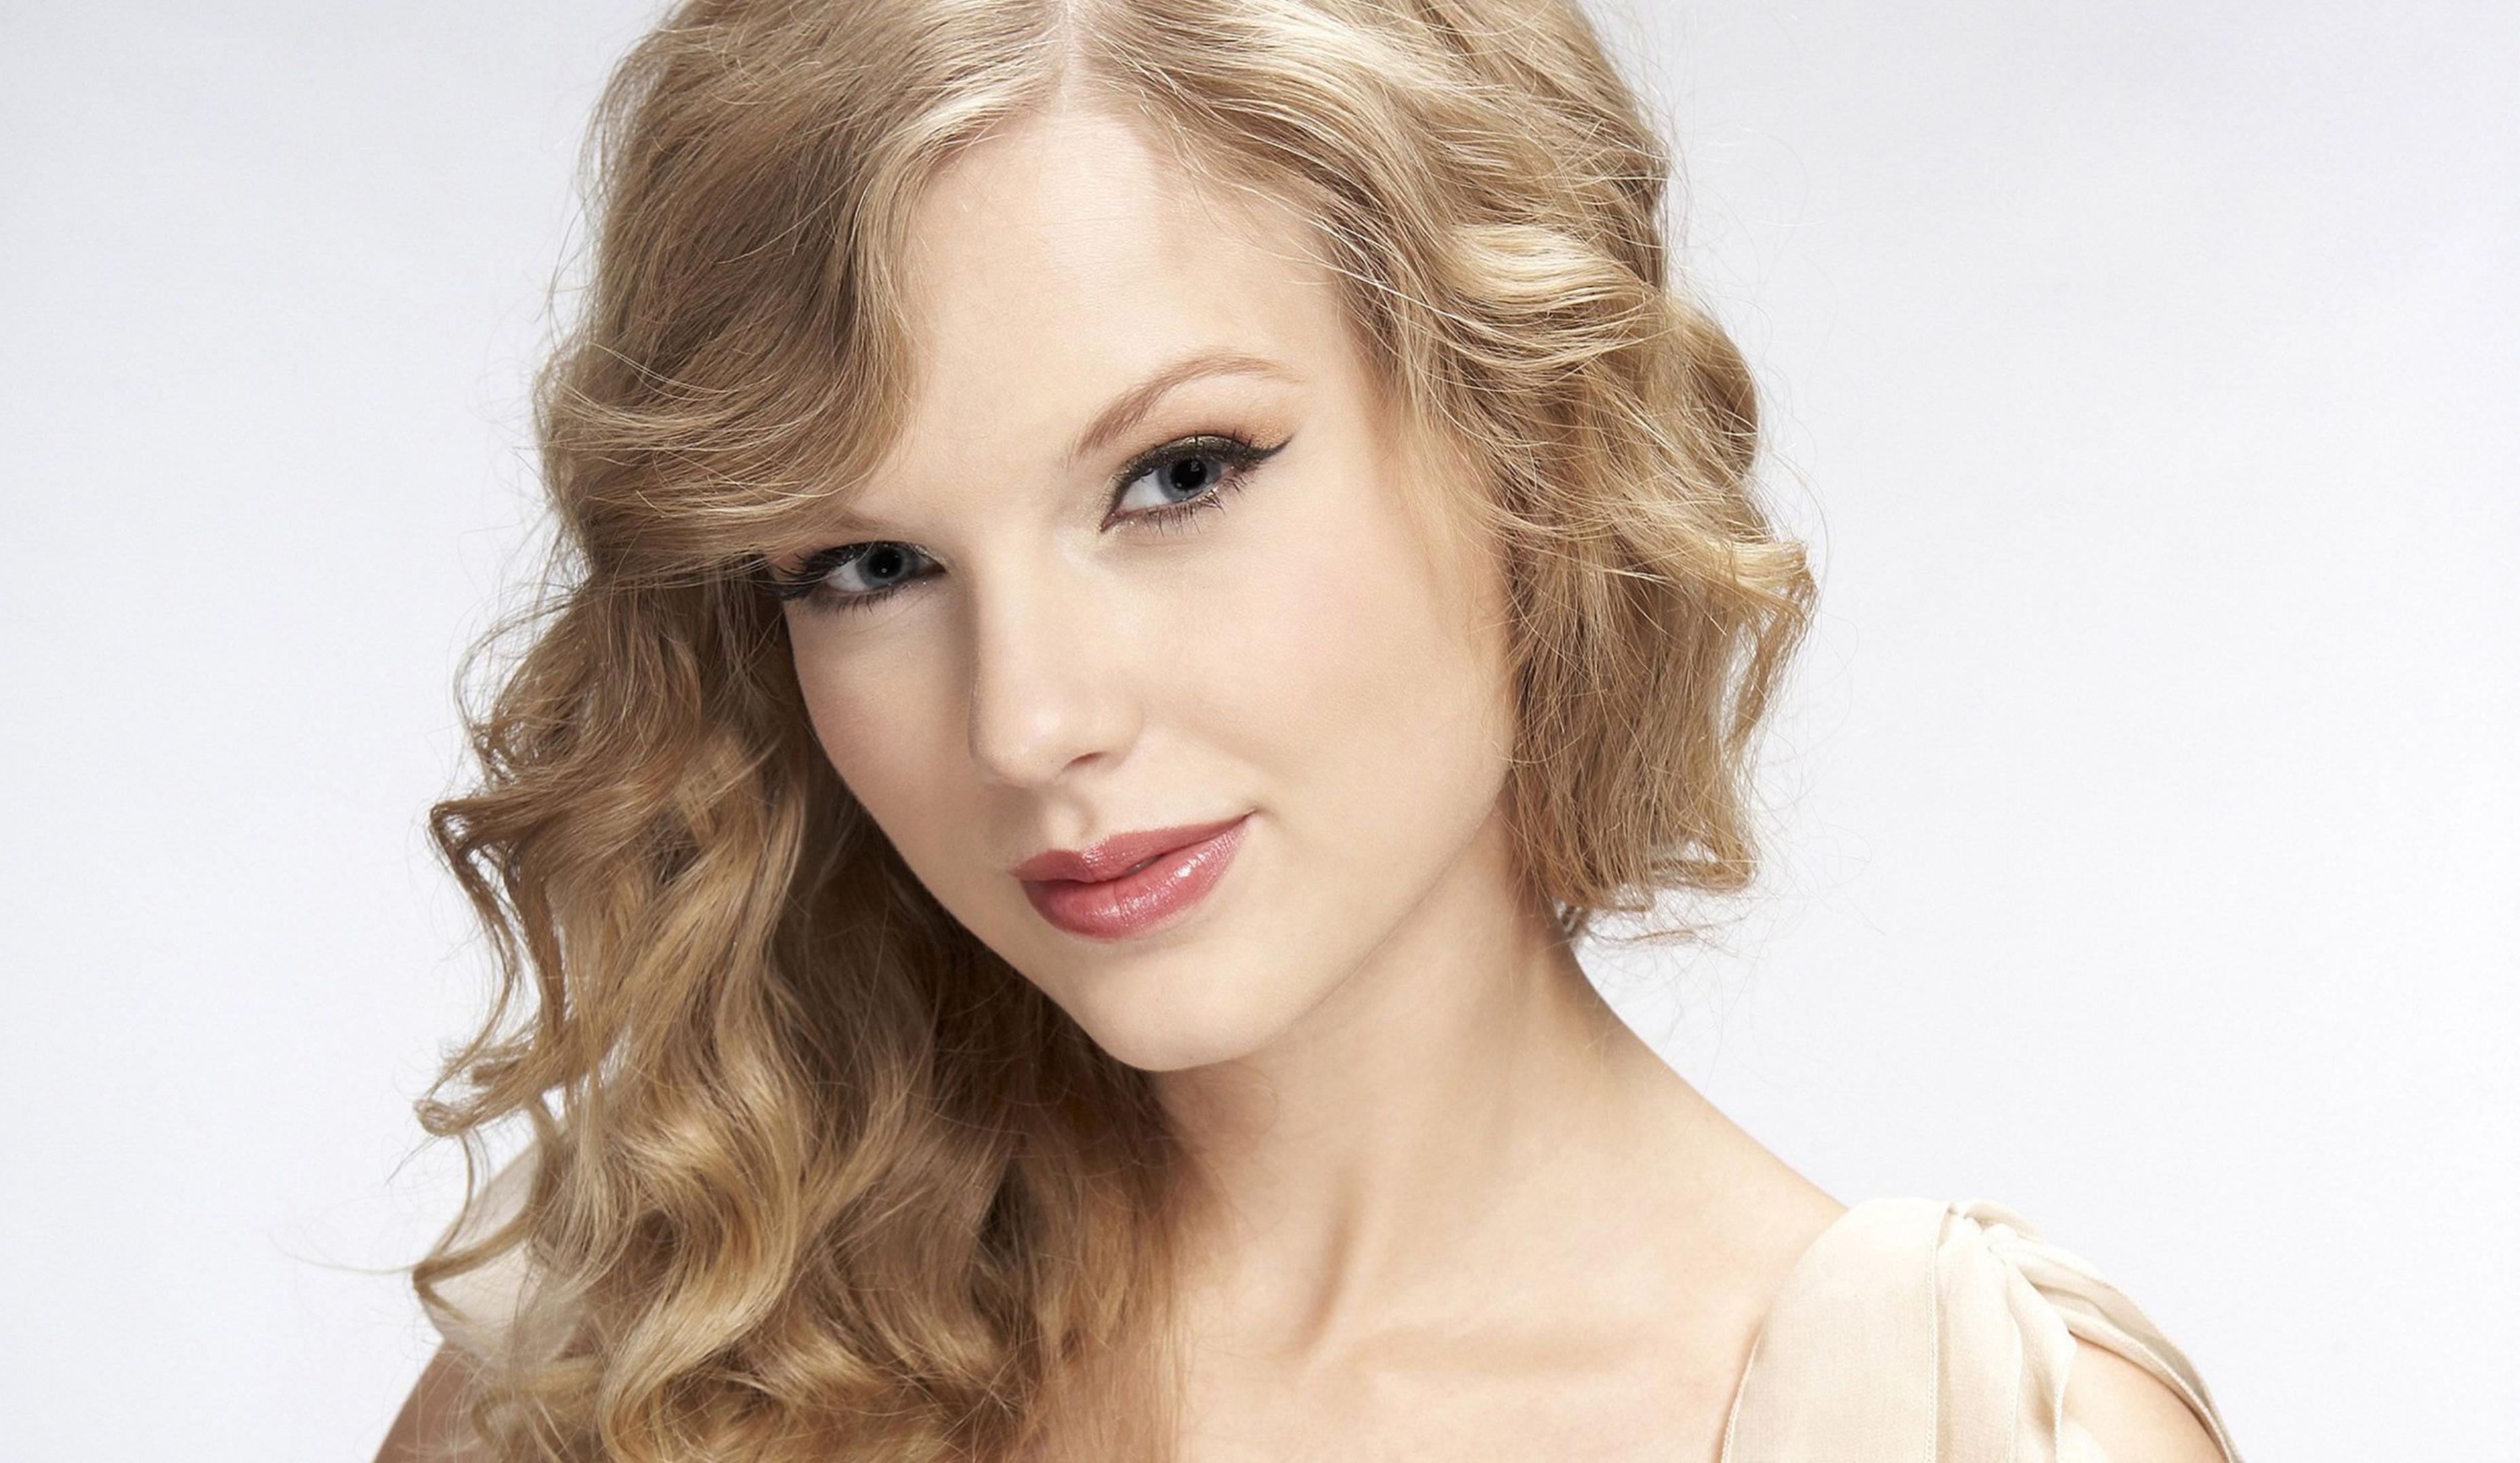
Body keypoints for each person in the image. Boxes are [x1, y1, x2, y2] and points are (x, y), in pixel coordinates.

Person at [377, 0, 2246, 1459]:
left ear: (1534, 436)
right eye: (867, 567)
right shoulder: (627, 1365)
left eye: (1179, 475)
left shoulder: (1963, 1429)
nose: (1030, 721)